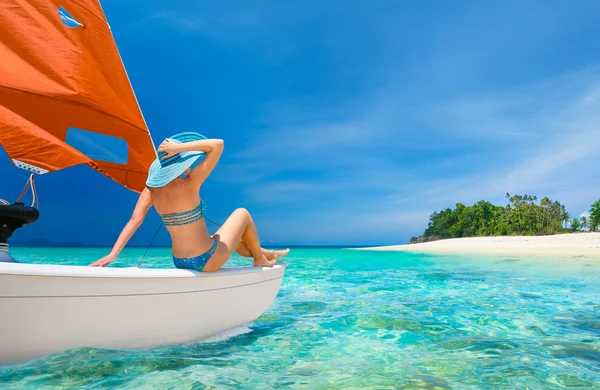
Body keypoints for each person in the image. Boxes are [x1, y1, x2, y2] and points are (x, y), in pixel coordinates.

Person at [89, 132, 289, 271]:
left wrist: (113, 254)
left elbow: (134, 221)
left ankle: (267, 253)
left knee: (229, 238)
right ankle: (260, 259)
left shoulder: (151, 189)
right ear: (180, 166)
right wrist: (180, 148)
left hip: (180, 261)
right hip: (206, 260)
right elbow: (218, 144)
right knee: (242, 213)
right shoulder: (191, 183)